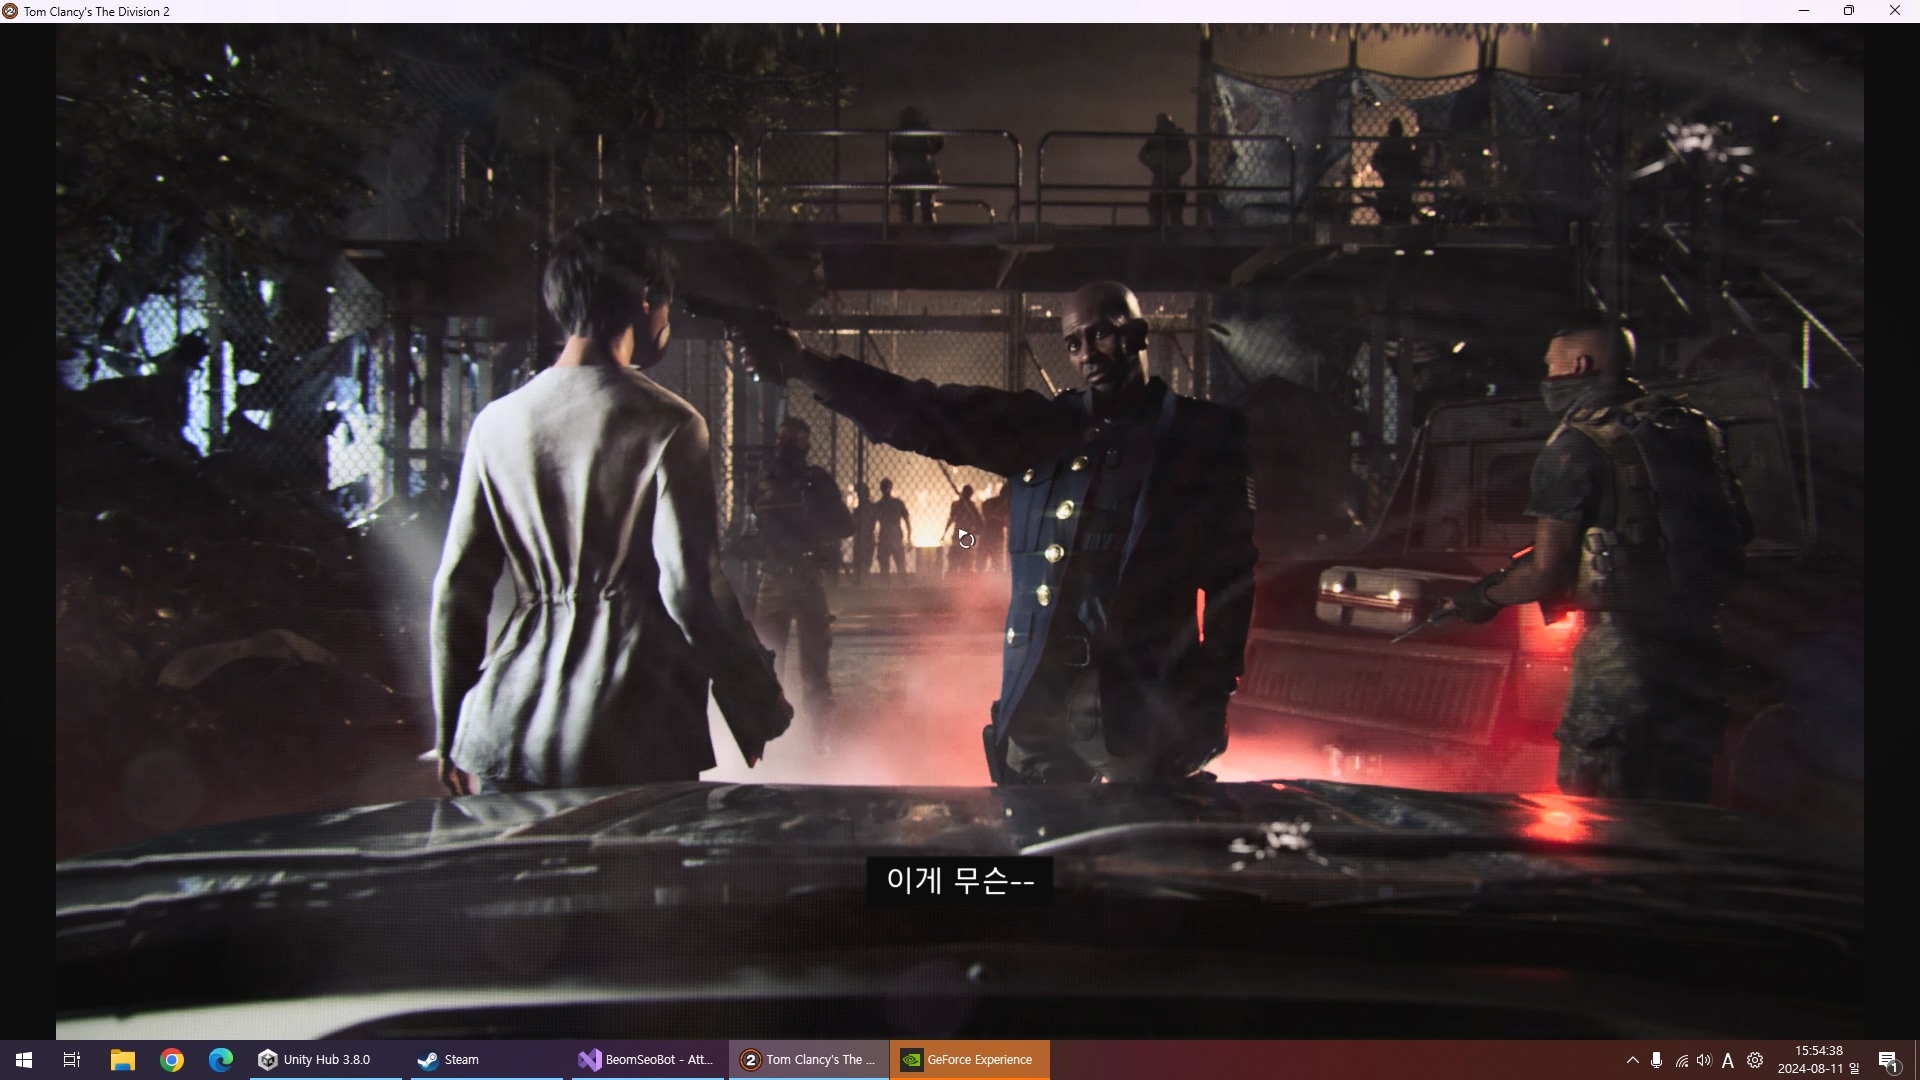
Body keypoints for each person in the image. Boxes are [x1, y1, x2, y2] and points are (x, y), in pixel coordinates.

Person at [736, 281, 1258, 784]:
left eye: (1100, 333)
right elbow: (925, 410)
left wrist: (1213, 692)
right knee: (1034, 838)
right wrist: (807, 365)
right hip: (1038, 697)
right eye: (1073, 343)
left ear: (1139, 334)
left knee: (1139, 840)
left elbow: (1231, 578)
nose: (1086, 354)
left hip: (1145, 699)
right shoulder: (1046, 429)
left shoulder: (1201, 435)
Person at [430, 209, 791, 796]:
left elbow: (457, 590)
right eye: (668, 302)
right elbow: (690, 588)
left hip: (507, 727)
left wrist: (451, 731)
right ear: (646, 296)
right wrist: (753, 701)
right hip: (632, 728)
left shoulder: (495, 424)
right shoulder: (671, 424)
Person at [1440, 318, 1754, 802]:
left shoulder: (1577, 446)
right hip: (1699, 640)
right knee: (1683, 795)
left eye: (1551, 367)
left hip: (1622, 649)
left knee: (1599, 793)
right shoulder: (1694, 428)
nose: (1546, 378)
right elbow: (1740, 527)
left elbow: (1546, 572)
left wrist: (1482, 598)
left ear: (1580, 365)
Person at [732, 415, 855, 754]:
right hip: (778, 578)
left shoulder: (813, 482)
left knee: (812, 668)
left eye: (791, 440)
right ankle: (774, 742)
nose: (784, 447)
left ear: (805, 444)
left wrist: (808, 532)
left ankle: (816, 741)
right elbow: (752, 531)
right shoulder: (764, 484)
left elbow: (844, 525)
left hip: (803, 577)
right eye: (782, 439)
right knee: (770, 665)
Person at [889, 106, 944, 224]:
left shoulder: (899, 132)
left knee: (906, 203)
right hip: (923, 166)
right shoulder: (923, 128)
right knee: (926, 202)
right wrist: (930, 151)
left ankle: (906, 225)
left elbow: (893, 149)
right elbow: (939, 141)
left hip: (906, 168)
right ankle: (928, 225)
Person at [1138, 113, 1193, 228]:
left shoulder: (1158, 135)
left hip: (1162, 178)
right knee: (1172, 215)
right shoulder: (1178, 136)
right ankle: (1173, 233)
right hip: (1172, 179)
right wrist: (1177, 171)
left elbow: (1141, 156)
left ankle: (1160, 233)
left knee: (1159, 213)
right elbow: (1188, 161)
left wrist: (1154, 167)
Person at [1371, 118, 1423, 226]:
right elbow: (1375, 161)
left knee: (1397, 210)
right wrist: (1383, 171)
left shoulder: (1400, 144)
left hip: (1398, 182)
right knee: (1395, 210)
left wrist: (1383, 170)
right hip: (1395, 181)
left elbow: (1375, 161)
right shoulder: (1390, 143)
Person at [872, 477, 912, 578]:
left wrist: (909, 538)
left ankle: (893, 583)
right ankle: (900, 583)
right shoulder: (895, 504)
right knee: (897, 566)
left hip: (890, 537)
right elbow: (907, 521)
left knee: (894, 567)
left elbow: (907, 520)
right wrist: (909, 537)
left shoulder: (881, 505)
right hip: (892, 537)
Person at [978, 482, 1011, 572]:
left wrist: (995, 516)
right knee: (986, 560)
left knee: (994, 561)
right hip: (990, 533)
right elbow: (986, 513)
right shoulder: (994, 503)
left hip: (993, 534)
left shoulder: (1007, 505)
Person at [850, 481, 877, 585]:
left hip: (864, 538)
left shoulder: (860, 510)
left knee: (861, 564)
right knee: (864, 564)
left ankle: (861, 583)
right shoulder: (869, 508)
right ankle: (863, 582)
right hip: (866, 538)